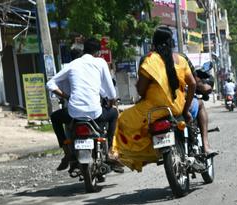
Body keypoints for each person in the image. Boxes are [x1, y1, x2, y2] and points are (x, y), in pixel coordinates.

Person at [114, 27, 196, 172]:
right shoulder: (181, 59)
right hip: (177, 107)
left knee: (123, 120)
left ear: (154, 43)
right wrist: (186, 109)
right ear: (171, 42)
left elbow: (140, 90)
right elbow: (193, 84)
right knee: (198, 107)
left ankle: (119, 155)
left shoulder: (150, 60)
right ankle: (196, 147)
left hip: (154, 109)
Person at [46, 40, 122, 171]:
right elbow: (110, 92)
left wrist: (67, 97)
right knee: (114, 113)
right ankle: (110, 150)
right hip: (95, 113)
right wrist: (111, 102)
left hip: (73, 113)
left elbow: (50, 84)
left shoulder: (72, 65)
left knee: (55, 117)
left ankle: (66, 151)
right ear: (98, 52)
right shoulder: (100, 62)